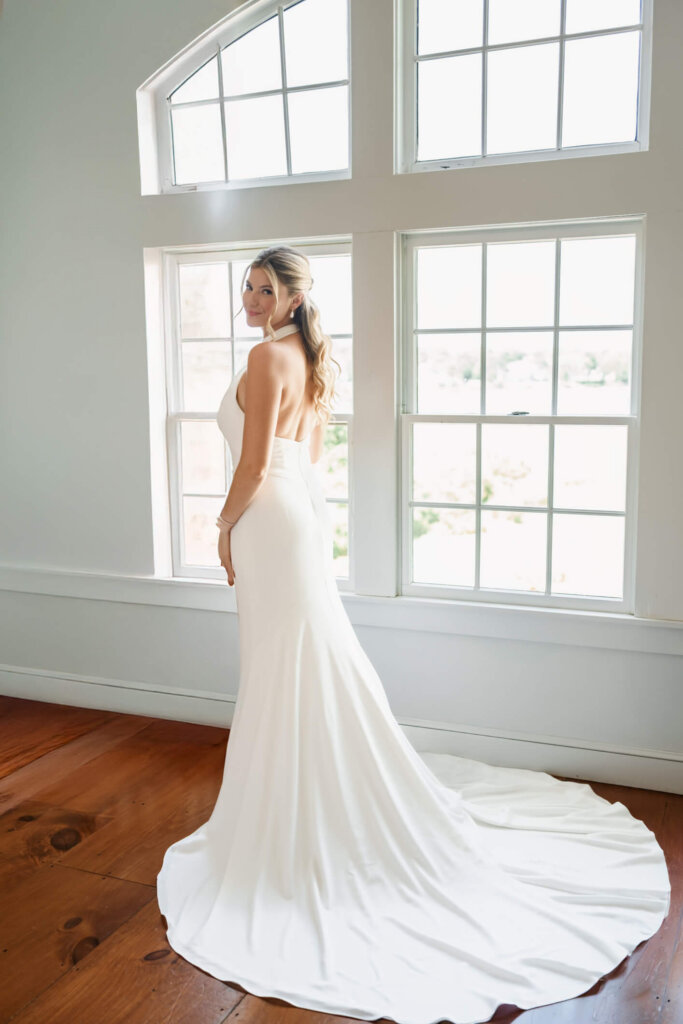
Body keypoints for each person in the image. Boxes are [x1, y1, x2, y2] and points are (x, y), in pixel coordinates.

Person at [156, 245, 671, 1024]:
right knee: (292, 663)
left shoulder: (268, 360)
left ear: (294, 299)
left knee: (283, 664)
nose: (249, 300)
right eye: (247, 288)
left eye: (264, 290)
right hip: (294, 521)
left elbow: (256, 464)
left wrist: (222, 530)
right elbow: (306, 462)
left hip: (266, 521)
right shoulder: (308, 359)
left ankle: (303, 805)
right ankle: (304, 790)